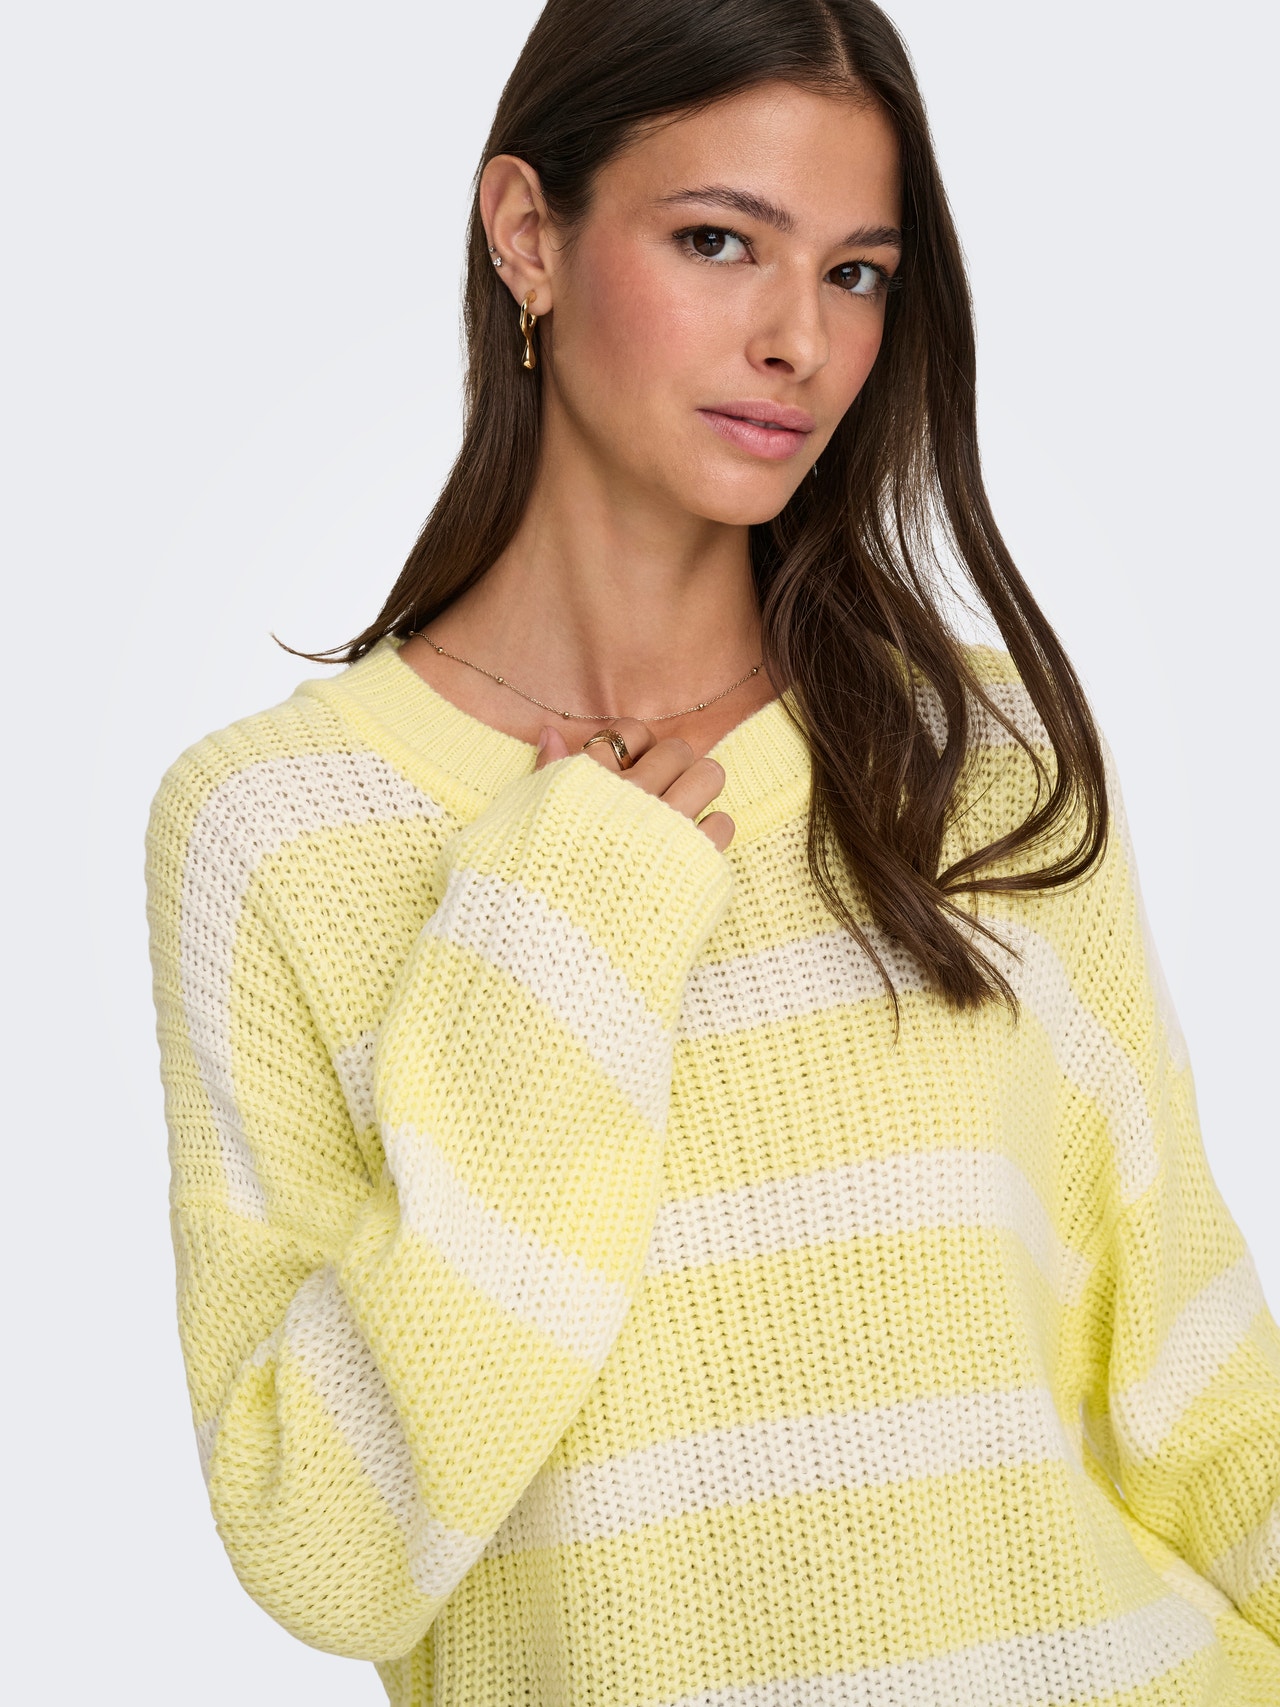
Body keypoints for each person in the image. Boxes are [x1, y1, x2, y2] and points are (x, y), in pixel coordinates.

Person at [144, 1, 1280, 1702]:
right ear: (528, 235)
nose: (799, 340)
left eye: (856, 273)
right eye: (717, 241)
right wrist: (561, 929)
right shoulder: (274, 829)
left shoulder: (979, 755)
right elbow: (328, 1543)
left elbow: (1199, 1390)